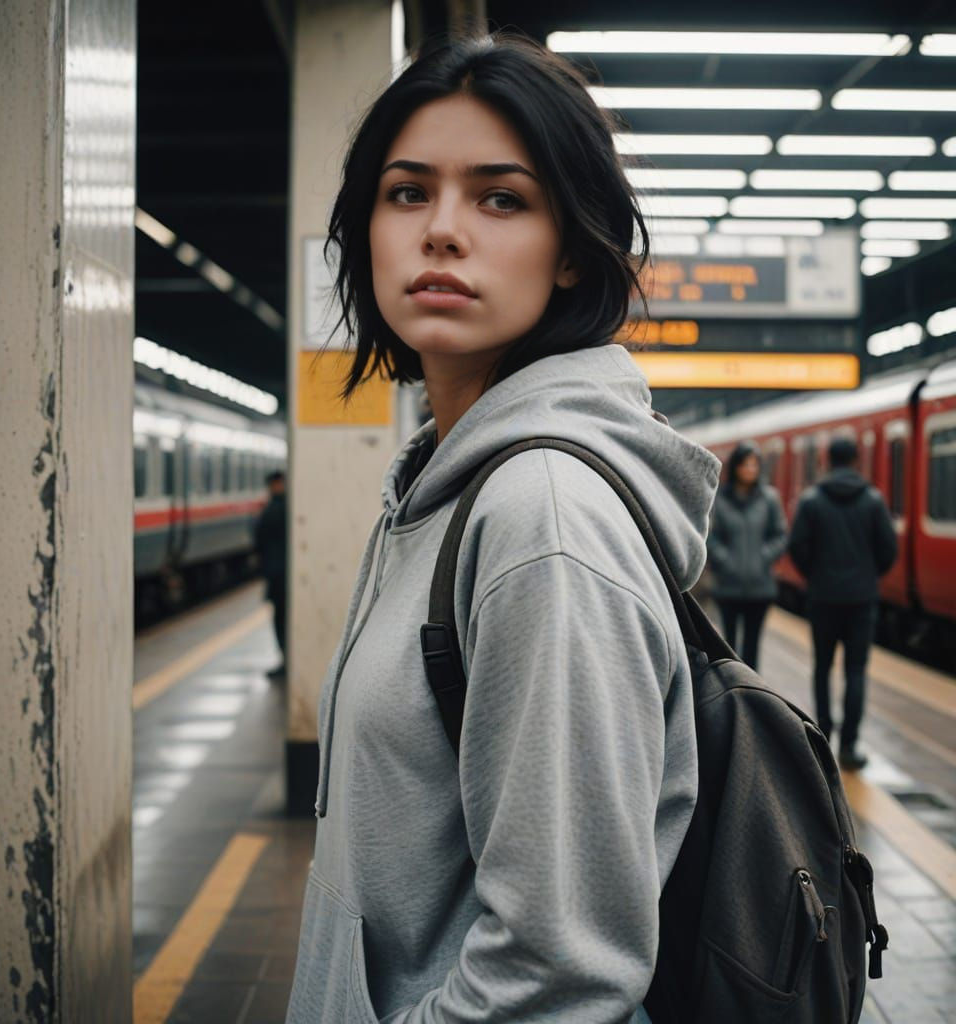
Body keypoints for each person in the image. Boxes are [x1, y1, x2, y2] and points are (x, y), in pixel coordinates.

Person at [286, 34, 720, 1024]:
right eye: (406, 192)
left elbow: (558, 970)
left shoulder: (539, 520)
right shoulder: (446, 487)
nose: (442, 230)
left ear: (571, 251)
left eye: (500, 198)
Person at [788, 436, 898, 771]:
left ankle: (822, 736)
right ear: (855, 461)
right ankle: (850, 746)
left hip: (823, 598)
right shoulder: (874, 501)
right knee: (856, 671)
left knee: (822, 668)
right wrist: (866, 576)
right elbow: (888, 551)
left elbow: (798, 548)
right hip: (862, 600)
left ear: (827, 460)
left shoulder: (812, 500)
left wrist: (817, 576)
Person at [705, 441, 787, 669]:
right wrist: (725, 560)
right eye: (745, 464)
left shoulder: (770, 499)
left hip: (759, 587)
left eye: (754, 465)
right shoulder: (719, 499)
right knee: (729, 647)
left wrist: (763, 557)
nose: (750, 469)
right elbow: (710, 536)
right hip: (728, 586)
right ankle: (733, 693)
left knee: (752, 648)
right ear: (736, 467)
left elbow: (780, 534)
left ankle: (753, 696)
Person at [253, 470, 287, 677]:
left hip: (277, 575)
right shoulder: (289, 507)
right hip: (284, 575)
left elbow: (259, 541)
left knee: (280, 620)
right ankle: (287, 660)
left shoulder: (271, 510)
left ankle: (285, 661)